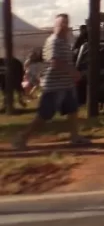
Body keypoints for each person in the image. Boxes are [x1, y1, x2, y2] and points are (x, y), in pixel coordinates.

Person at [12, 13, 89, 150]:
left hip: (66, 84)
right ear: (55, 26)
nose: (63, 26)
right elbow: (55, 62)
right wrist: (72, 72)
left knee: (72, 110)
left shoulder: (64, 42)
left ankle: (75, 137)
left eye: (65, 23)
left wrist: (72, 74)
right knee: (44, 116)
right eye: (60, 24)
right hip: (53, 86)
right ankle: (22, 138)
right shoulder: (54, 41)